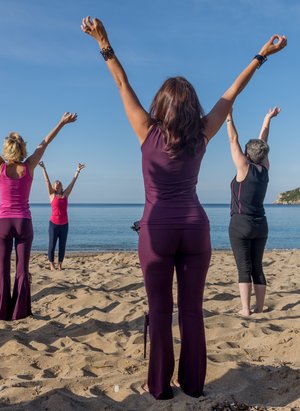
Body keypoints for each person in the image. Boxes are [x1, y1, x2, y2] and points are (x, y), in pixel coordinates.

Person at [81, 16, 287, 399]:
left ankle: (160, 387)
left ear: (160, 104)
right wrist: (262, 54)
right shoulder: (202, 133)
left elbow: (121, 83)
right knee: (191, 311)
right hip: (195, 228)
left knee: (160, 311)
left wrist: (104, 43)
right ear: (191, 106)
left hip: (156, 231)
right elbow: (231, 94)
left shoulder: (146, 128)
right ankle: (192, 384)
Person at [0, 105, 77, 320]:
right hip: (23, 222)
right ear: (22, 150)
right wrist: (62, 122)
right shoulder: (29, 166)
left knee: (2, 269)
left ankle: (1, 312)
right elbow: (45, 142)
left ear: (6, 149)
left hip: (2, 222)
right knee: (22, 269)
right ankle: (19, 312)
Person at [226, 107, 280, 316]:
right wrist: (267, 119)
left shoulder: (243, 167)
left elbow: (233, 141)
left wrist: (229, 117)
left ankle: (246, 310)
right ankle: (259, 308)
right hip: (261, 225)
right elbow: (263, 142)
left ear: (247, 154)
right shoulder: (265, 168)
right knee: (257, 267)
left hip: (241, 224)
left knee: (244, 268)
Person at [38, 161, 85, 270]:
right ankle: (51, 264)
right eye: (55, 182)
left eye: (59, 182)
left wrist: (77, 171)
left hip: (64, 224)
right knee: (52, 245)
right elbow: (47, 181)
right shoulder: (51, 195)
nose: (57, 182)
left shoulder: (65, 194)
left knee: (62, 245)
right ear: (54, 187)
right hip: (54, 224)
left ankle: (60, 264)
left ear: (61, 186)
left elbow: (73, 182)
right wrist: (43, 169)